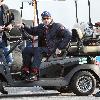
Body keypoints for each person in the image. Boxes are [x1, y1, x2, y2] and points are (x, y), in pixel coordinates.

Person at [21, 11, 72, 81]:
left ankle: (34, 73)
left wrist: (60, 47)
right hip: (43, 47)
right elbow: (32, 30)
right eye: (44, 19)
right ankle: (26, 70)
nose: (46, 20)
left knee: (38, 50)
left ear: (51, 18)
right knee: (26, 50)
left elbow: (68, 35)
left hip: (52, 49)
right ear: (42, 19)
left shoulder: (57, 26)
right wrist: (24, 26)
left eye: (48, 18)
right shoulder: (41, 27)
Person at [0, 0, 14, 65]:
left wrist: (11, 25)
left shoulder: (6, 7)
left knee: (9, 60)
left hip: (4, 38)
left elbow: (12, 19)